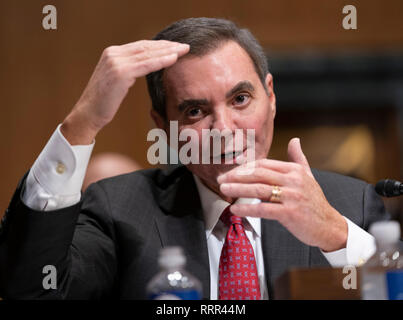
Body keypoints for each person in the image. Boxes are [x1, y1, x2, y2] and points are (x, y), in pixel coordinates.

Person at [0, 17, 387, 300]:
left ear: (270, 97)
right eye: (195, 111)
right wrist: (82, 123)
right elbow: (31, 291)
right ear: (163, 125)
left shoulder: (351, 205)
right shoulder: (120, 212)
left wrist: (336, 236)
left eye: (240, 99)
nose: (224, 127)